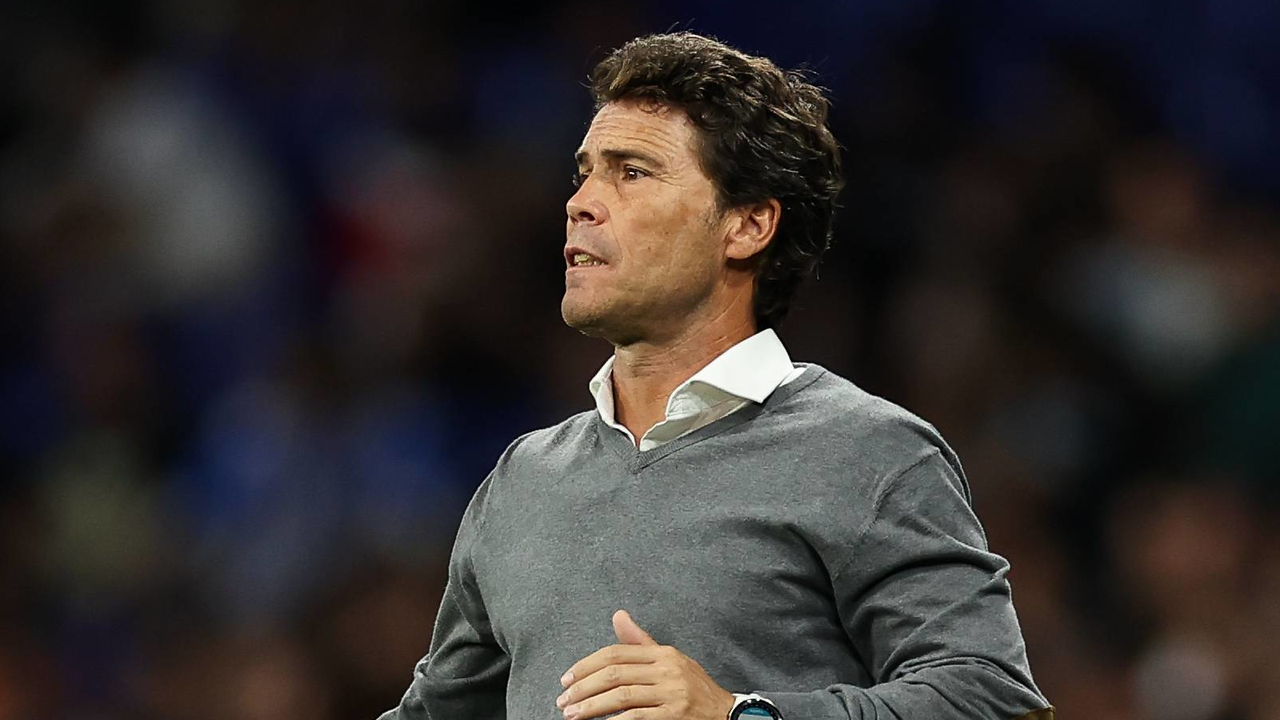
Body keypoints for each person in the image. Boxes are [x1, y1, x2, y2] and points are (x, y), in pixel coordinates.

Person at [379, 31, 1053, 720]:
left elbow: (991, 699)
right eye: (584, 172)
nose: (581, 202)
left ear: (748, 225)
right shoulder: (523, 479)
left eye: (632, 172)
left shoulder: (870, 453)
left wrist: (739, 713)